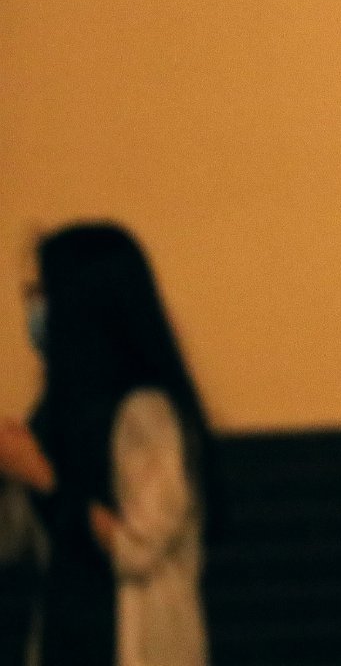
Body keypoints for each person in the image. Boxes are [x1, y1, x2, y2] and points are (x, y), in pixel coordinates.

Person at [0, 223, 211, 666]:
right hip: (63, 640)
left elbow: (136, 548)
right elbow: (17, 542)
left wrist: (42, 475)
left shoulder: (148, 415)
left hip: (134, 645)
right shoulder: (54, 411)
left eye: (45, 293)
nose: (35, 309)